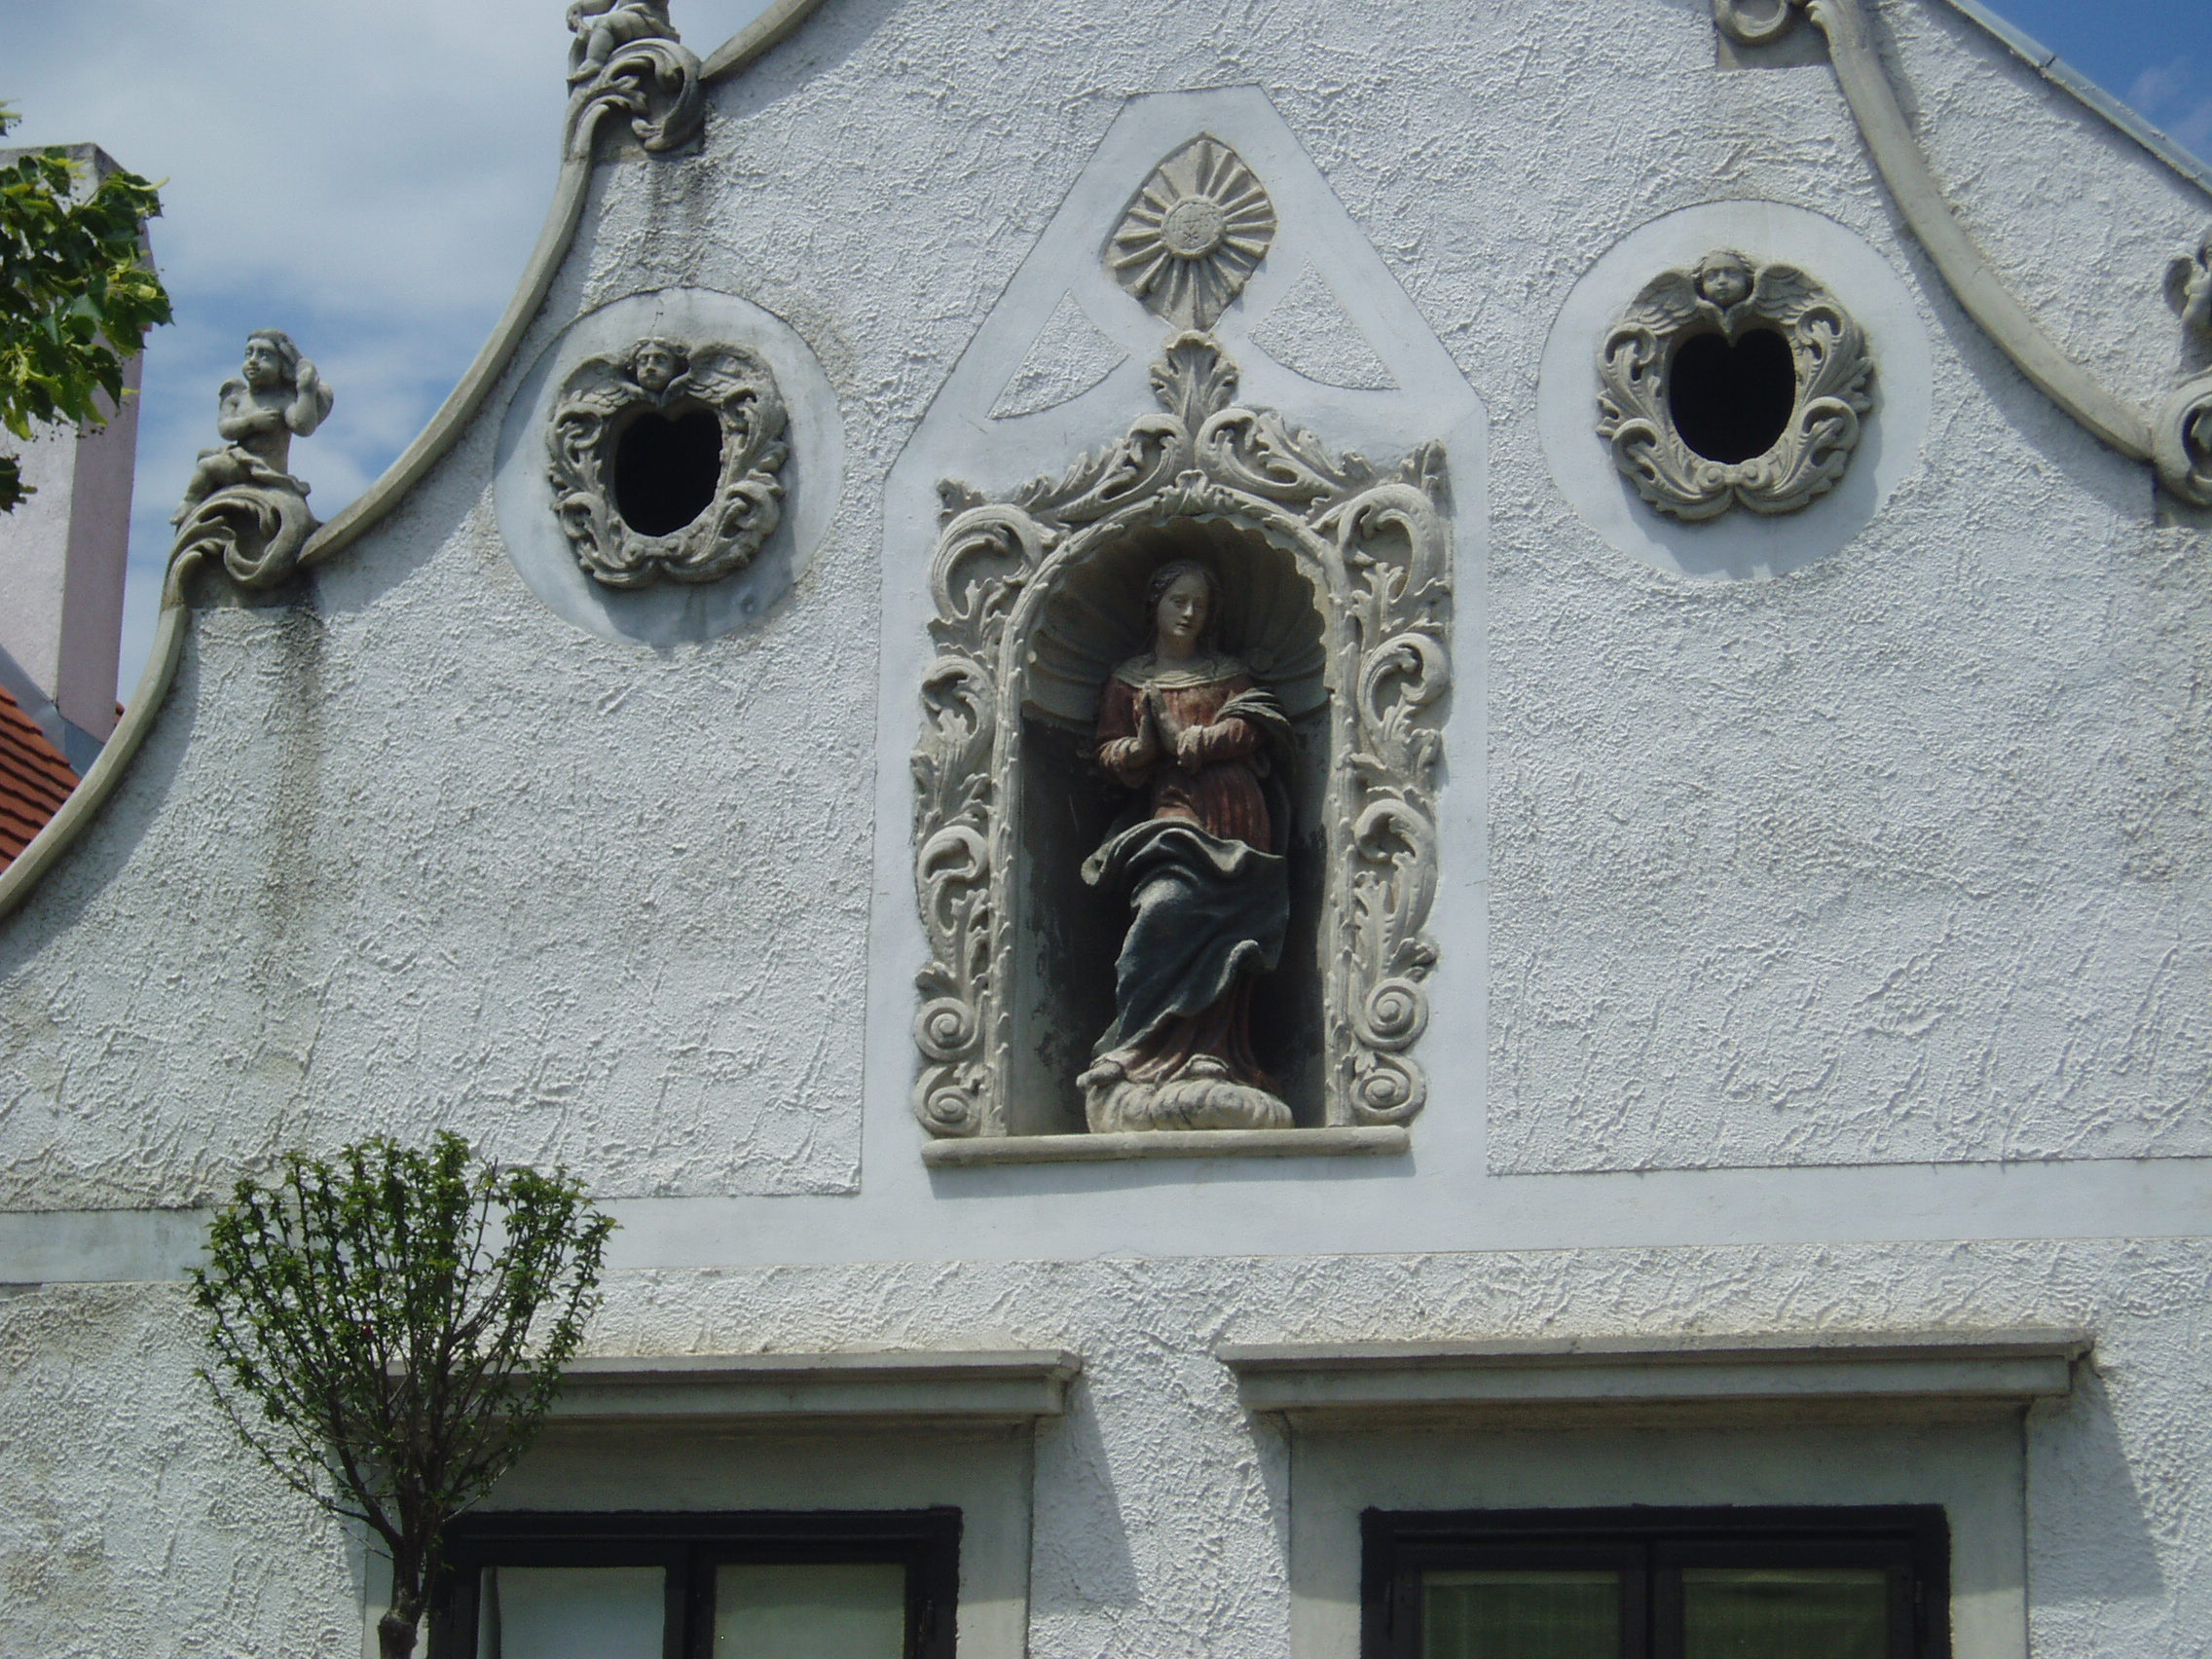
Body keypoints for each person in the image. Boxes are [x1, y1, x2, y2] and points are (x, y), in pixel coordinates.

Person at [1079, 559, 1294, 1132]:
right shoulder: (1128, 681)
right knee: (1165, 906)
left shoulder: (1230, 674)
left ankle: (1215, 1052)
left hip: (1236, 810)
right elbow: (1107, 754)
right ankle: (1136, 1048)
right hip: (1173, 808)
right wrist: (1143, 748)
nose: (1189, 613)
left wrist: (1194, 740)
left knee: (1231, 935)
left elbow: (1257, 726)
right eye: (1179, 600)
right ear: (1155, 604)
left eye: (1200, 603)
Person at [171, 330, 332, 526]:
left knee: (208, 466)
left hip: (263, 466)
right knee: (206, 459)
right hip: (239, 458)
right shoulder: (237, 396)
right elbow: (225, 429)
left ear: (282, 364)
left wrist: (306, 390)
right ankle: (193, 502)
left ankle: (190, 501)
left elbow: (302, 427)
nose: (253, 361)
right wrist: (251, 422)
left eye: (264, 355)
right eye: (249, 354)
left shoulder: (283, 399)